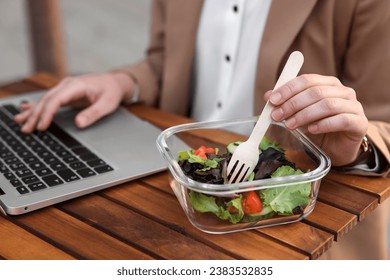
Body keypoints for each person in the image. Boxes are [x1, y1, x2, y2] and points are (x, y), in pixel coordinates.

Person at [14, 0, 390, 259]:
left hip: (296, 230)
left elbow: (382, 122)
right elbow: (167, 59)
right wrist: (124, 81)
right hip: (177, 192)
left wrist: (353, 148)